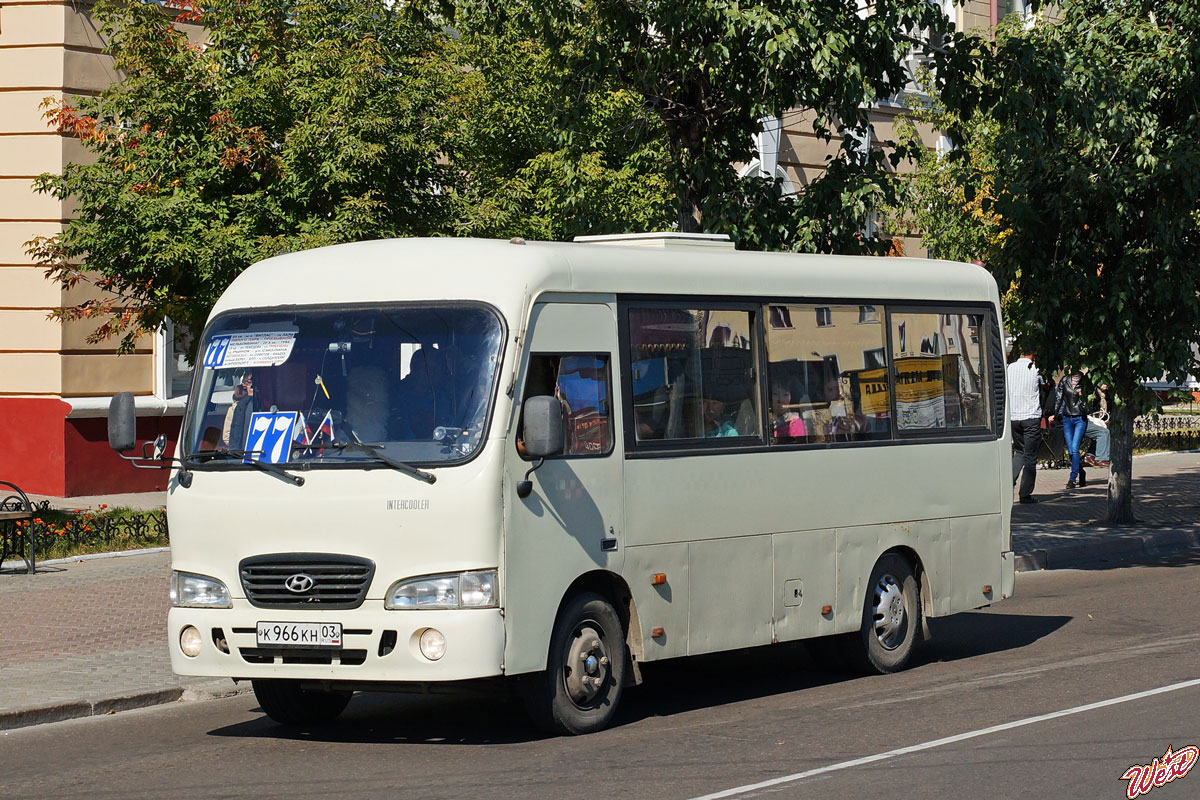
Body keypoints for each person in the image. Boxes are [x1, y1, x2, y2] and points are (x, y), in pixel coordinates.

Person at [1007, 350, 1044, 503]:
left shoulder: (1009, 368)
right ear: (1034, 354)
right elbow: (1046, 386)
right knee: (1030, 456)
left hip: (1014, 416)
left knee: (1019, 452)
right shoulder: (1036, 370)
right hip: (1031, 417)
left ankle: (1007, 486)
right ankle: (1025, 494)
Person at [1055, 368, 1090, 489]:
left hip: (1080, 418)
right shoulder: (1065, 380)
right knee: (1070, 451)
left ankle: (1072, 479)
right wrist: (1054, 414)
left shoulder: (1086, 382)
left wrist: (1083, 397)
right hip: (1067, 417)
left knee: (1075, 448)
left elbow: (1092, 400)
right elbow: (1059, 397)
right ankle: (1081, 471)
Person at [221, 374, 254, 451]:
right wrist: (236, 445)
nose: (251, 386)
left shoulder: (258, 403)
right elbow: (227, 436)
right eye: (248, 382)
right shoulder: (235, 408)